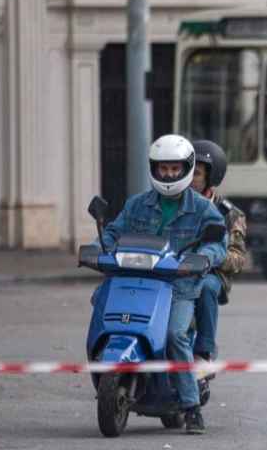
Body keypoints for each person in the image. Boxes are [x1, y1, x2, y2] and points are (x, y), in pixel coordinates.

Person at [99, 134, 227, 435]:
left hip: (179, 287)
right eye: (163, 169)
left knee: (174, 336)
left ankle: (191, 408)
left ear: (186, 167)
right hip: (132, 280)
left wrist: (203, 258)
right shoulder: (137, 205)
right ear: (154, 169)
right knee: (103, 313)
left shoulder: (203, 209)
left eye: (174, 168)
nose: (168, 174)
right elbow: (113, 233)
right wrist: (98, 247)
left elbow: (218, 244)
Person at [189, 140, 248, 367]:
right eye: (188, 172)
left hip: (212, 273)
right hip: (175, 269)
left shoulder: (230, 214)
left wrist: (210, 256)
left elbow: (238, 259)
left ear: (211, 177)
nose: (190, 179)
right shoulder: (175, 203)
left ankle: (203, 353)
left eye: (197, 174)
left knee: (205, 288)